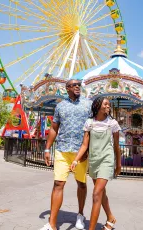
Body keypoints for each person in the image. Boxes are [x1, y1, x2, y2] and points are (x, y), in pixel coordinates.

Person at [40, 79, 92, 230]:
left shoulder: (88, 105)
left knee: (81, 184)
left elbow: (93, 128)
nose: (77, 87)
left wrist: (88, 149)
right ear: (67, 88)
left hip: (80, 151)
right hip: (62, 149)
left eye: (79, 85)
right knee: (58, 184)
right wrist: (47, 149)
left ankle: (80, 215)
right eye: (74, 85)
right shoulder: (60, 106)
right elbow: (54, 128)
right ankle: (52, 224)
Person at [71, 96, 121, 230]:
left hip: (107, 160)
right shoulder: (89, 123)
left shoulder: (113, 124)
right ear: (98, 106)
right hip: (94, 160)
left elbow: (116, 146)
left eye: (109, 104)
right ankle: (110, 218)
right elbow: (84, 145)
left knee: (96, 193)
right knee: (101, 193)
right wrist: (76, 160)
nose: (108, 106)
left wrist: (118, 164)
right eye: (105, 104)